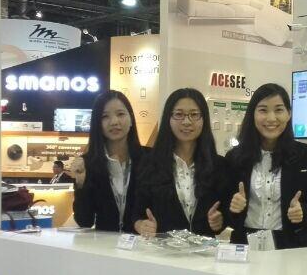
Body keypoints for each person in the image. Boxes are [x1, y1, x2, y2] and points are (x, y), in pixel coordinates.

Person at [226, 83, 307, 250]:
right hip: (244, 244)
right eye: (263, 110)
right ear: (253, 114)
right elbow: (224, 212)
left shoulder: (306, 155)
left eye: (278, 110)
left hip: (290, 246)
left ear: (289, 114)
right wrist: (233, 208)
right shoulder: (235, 157)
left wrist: (303, 212)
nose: (271, 118)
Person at [133, 89, 231, 237]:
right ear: (168, 118)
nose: (186, 121)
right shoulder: (150, 163)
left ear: (204, 119)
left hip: (204, 250)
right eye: (179, 114)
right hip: (162, 249)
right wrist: (141, 225)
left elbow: (225, 213)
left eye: (194, 114)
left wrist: (220, 222)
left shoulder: (219, 165)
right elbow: (137, 213)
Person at [74, 91, 148, 232]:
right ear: (97, 124)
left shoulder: (149, 158)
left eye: (120, 114)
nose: (114, 122)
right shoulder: (88, 163)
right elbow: (84, 221)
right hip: (105, 244)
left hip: (140, 242)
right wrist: (81, 183)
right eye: (105, 116)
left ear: (131, 119)